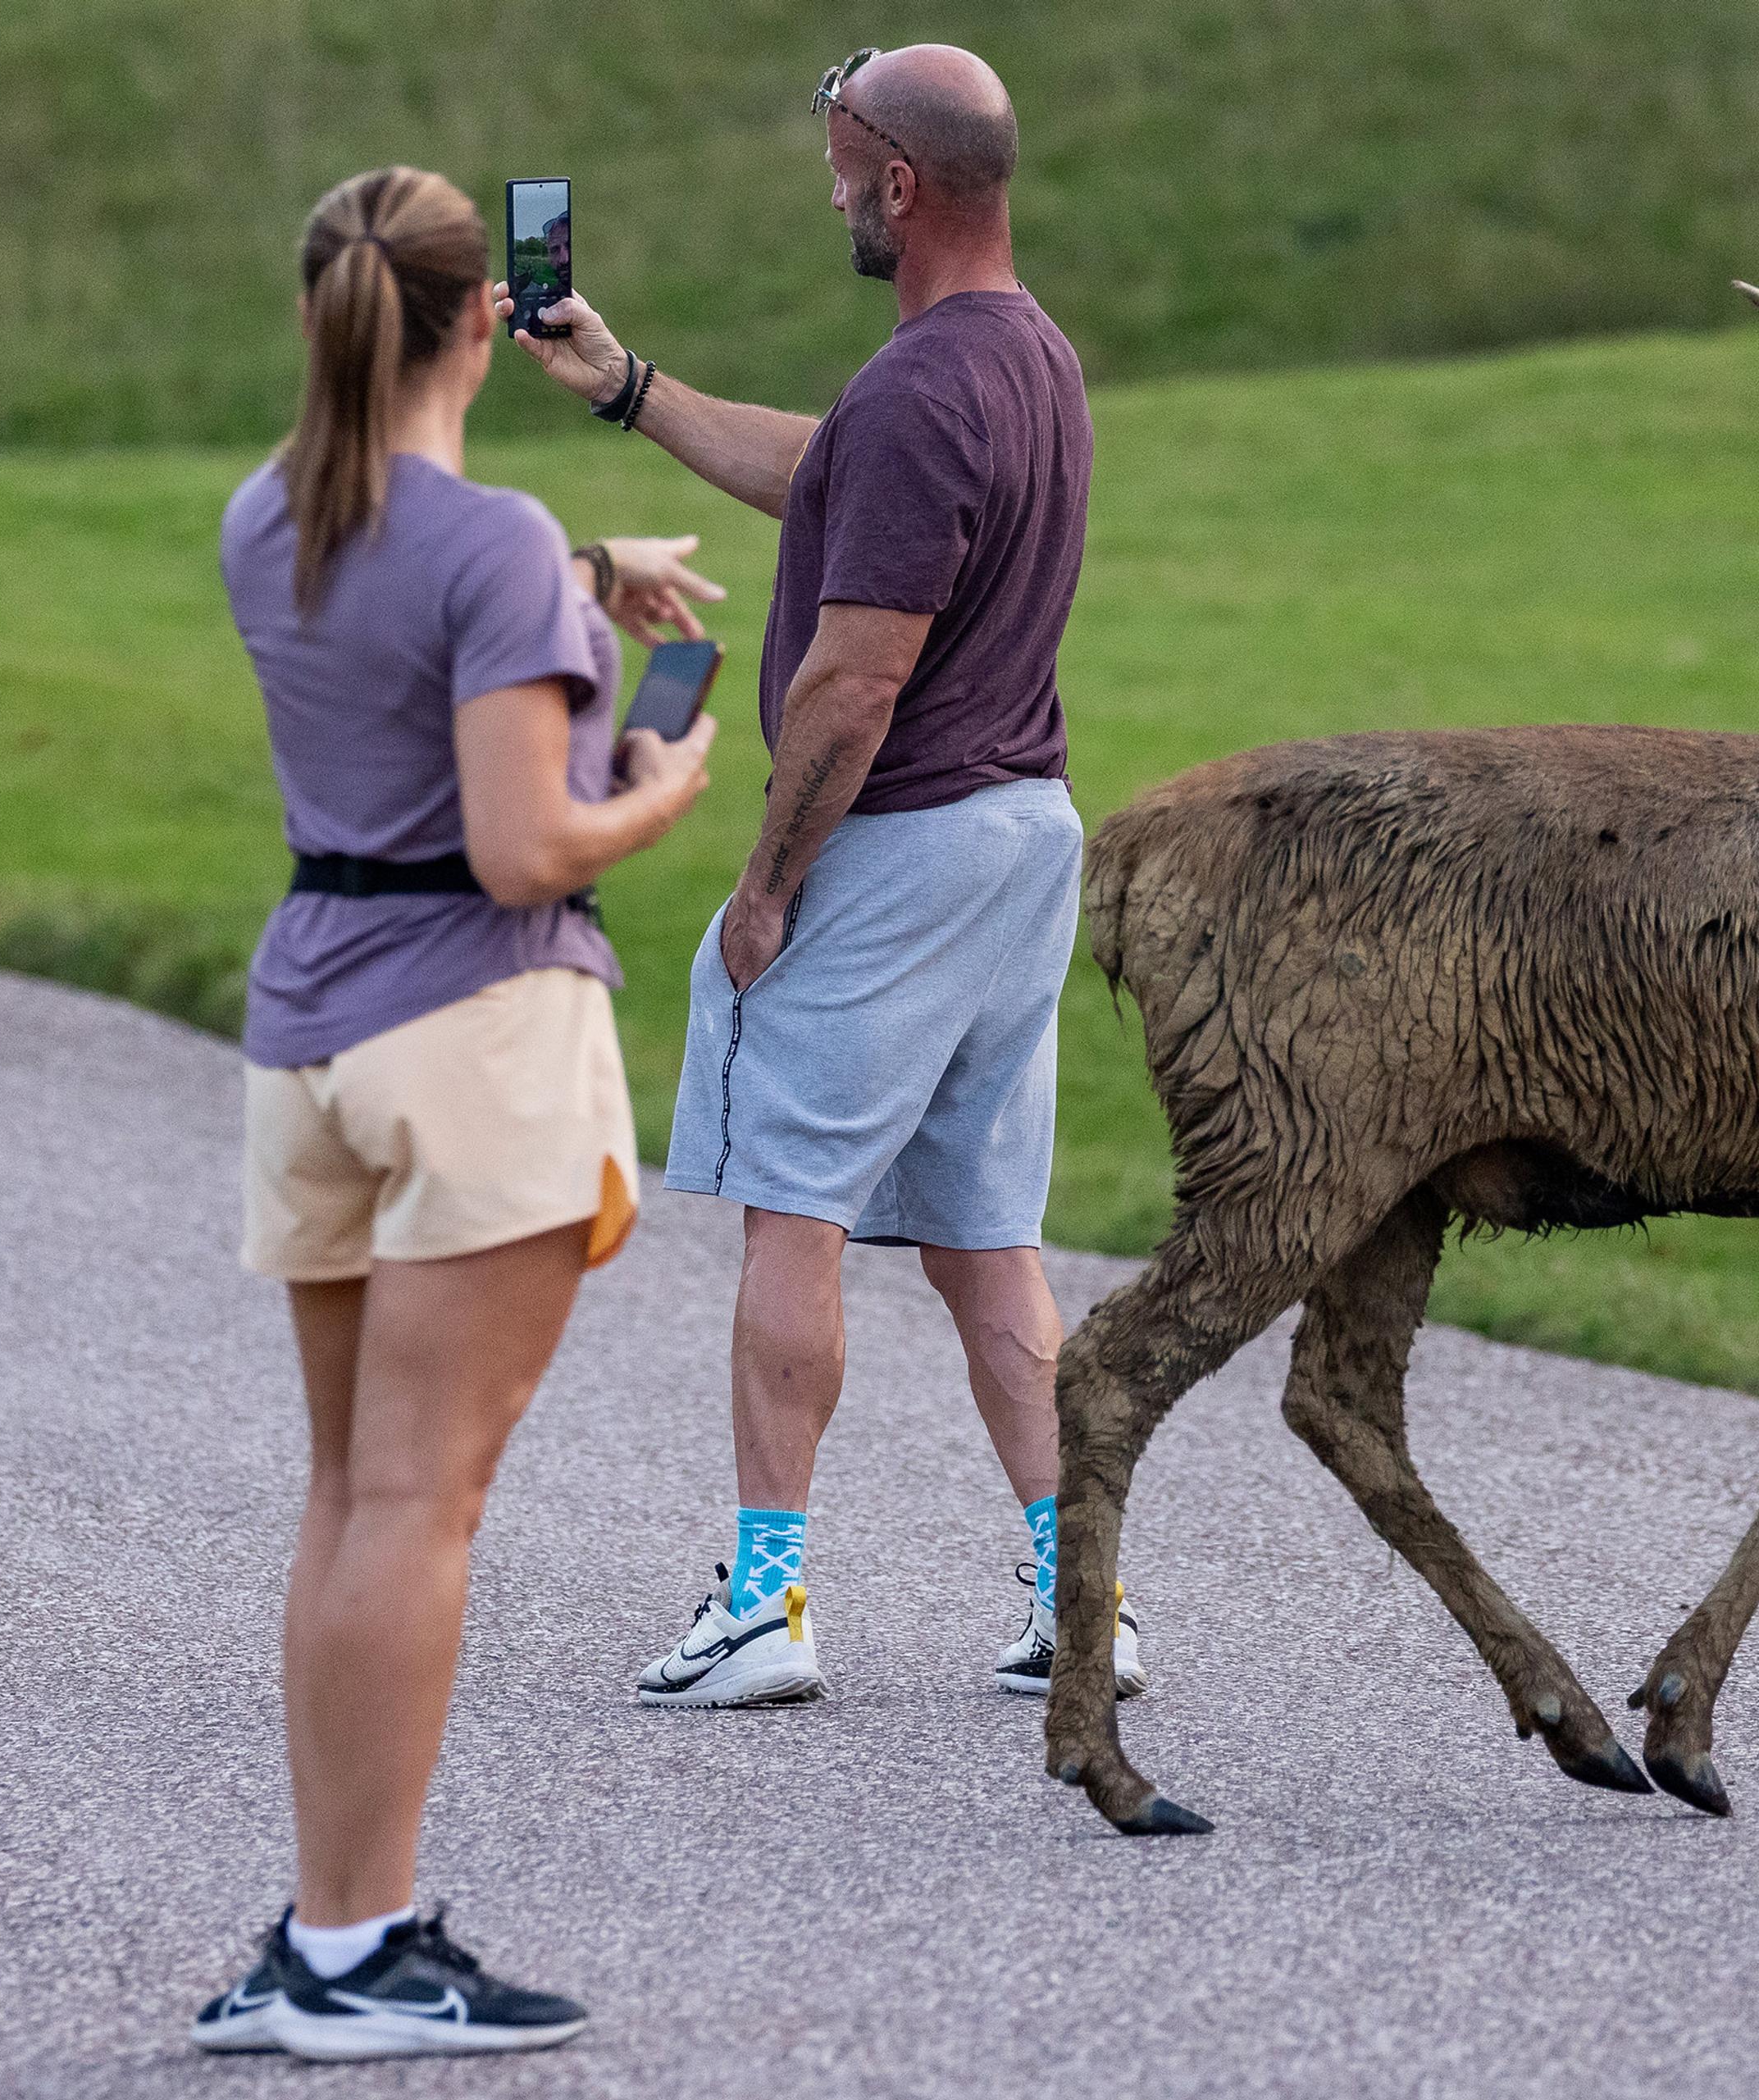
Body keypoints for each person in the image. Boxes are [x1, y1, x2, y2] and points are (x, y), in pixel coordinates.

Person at [508, 43, 1143, 1711]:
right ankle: (1082, 1601)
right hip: (1024, 842)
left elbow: (852, 682)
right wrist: (627, 386)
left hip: (901, 850)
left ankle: (769, 1601)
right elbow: (833, 472)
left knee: (794, 1215)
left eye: (844, 167)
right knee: (988, 1238)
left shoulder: (929, 385)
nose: (832, 193)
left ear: (903, 185)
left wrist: (772, 881)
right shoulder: (1022, 357)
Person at [189, 164, 722, 2061]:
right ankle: (354, 1958)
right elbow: (525, 846)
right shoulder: (486, 543)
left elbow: (401, 586)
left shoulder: (273, 515)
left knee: (351, 1496)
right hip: (475, 1033)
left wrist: (581, 585)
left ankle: (330, 1938)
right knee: (426, 1504)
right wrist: (663, 776)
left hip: (310, 1032)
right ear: (486, 322)